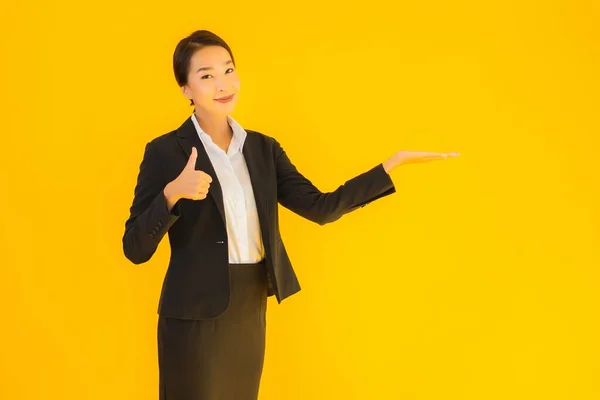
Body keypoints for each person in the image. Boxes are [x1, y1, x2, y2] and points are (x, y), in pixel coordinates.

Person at [122, 29, 459, 400]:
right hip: (192, 318)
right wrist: (172, 194)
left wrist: (388, 168)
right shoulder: (165, 152)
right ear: (186, 89)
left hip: (248, 307)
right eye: (206, 76)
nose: (222, 84)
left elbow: (321, 207)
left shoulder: (263, 149)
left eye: (229, 70)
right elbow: (135, 247)